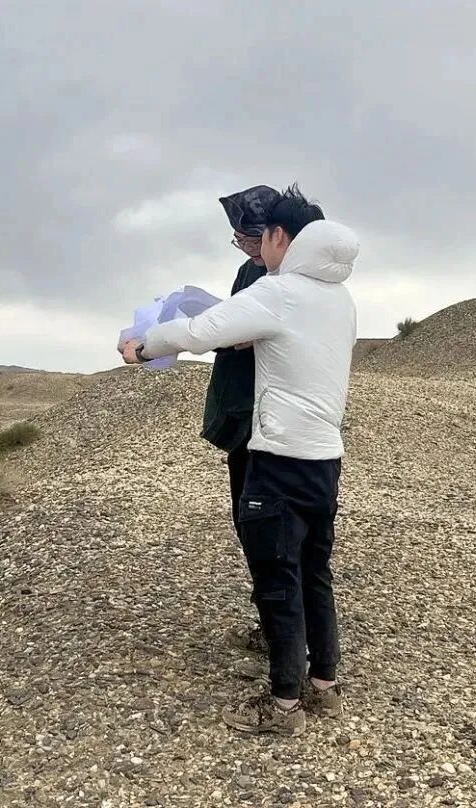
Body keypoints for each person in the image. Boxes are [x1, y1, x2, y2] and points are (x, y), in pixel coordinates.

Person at [122, 185, 358, 736]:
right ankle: (325, 687)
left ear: (279, 237)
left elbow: (198, 332)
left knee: (276, 578)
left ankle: (284, 708)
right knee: (313, 572)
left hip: (277, 460)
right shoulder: (340, 298)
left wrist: (142, 347)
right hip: (325, 460)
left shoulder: (279, 292)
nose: (256, 248)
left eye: (260, 237)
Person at [207, 185, 280, 658]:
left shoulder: (287, 278)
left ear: (274, 234)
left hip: (272, 418)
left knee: (270, 525)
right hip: (242, 413)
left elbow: (247, 334)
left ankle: (283, 638)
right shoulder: (249, 270)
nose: (245, 247)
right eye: (238, 239)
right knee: (247, 519)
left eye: (249, 238)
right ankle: (271, 623)